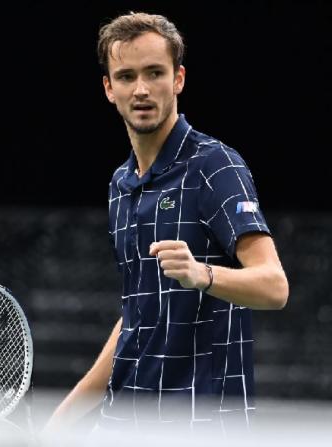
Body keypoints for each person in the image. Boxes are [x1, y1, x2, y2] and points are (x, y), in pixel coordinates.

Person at [46, 11, 288, 435]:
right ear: (108, 88)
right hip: (124, 421)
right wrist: (65, 415)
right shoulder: (120, 185)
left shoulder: (214, 166)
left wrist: (202, 274)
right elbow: (137, 314)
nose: (140, 89)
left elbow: (274, 286)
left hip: (200, 425)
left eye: (154, 73)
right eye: (126, 76)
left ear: (178, 79)